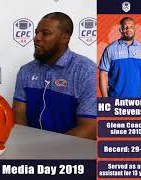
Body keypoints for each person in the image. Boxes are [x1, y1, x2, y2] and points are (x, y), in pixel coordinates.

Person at [13, 12, 96, 140]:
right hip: (30, 151)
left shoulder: (87, 72)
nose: (37, 38)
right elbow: (18, 115)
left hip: (72, 153)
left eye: (45, 33)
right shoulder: (26, 71)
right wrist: (29, 149)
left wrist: (48, 152)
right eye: (36, 32)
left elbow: (90, 129)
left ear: (65, 38)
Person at [99, 17, 141, 97]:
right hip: (115, 100)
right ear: (121, 30)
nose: (128, 29)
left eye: (131, 27)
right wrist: (105, 99)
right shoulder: (110, 49)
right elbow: (103, 74)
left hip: (137, 101)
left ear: (135, 29)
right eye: (125, 27)